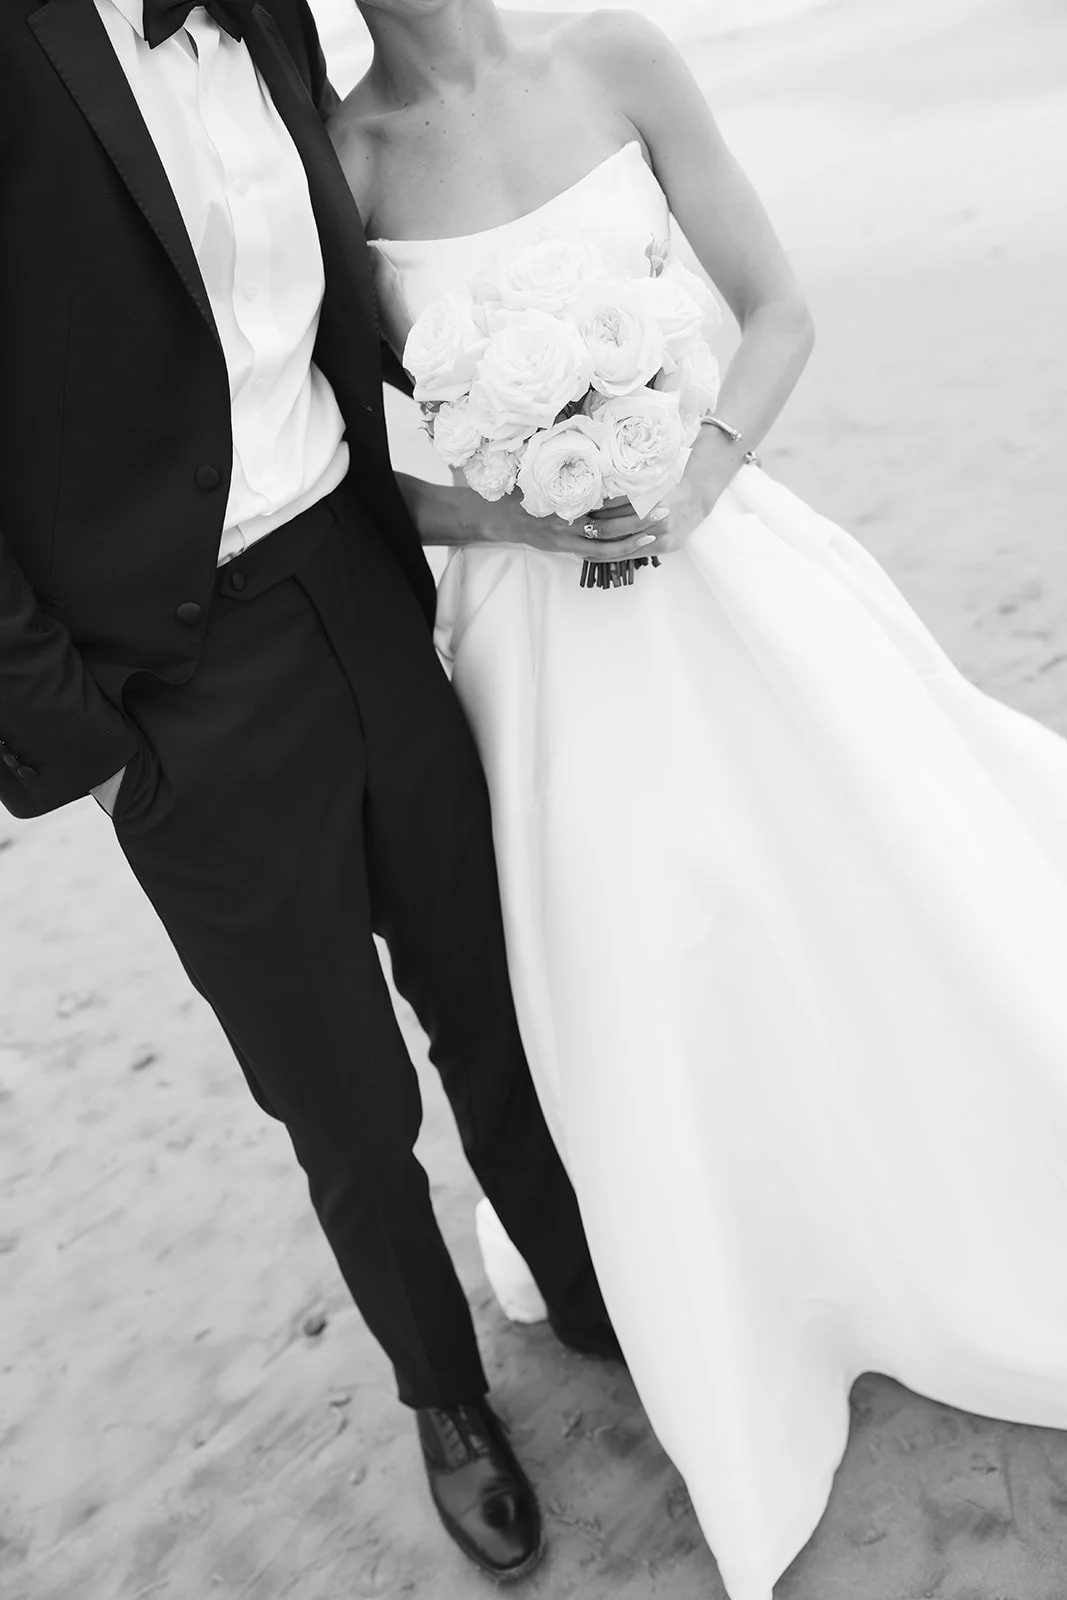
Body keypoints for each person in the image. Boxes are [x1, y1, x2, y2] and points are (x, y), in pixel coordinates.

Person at [330, 4, 1067, 1597]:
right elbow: (348, 465)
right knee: (643, 966)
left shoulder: (619, 60)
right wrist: (515, 513)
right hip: (537, 646)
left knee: (865, 872)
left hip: (724, 562)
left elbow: (778, 307)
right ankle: (748, 1270)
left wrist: (696, 474)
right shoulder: (345, 158)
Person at [0, 0, 636, 1582]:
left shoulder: (273, 18)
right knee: (344, 1103)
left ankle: (576, 1283)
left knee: (486, 995)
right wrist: (81, 737)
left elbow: (337, 325)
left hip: (361, 590)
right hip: (180, 687)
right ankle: (446, 1400)